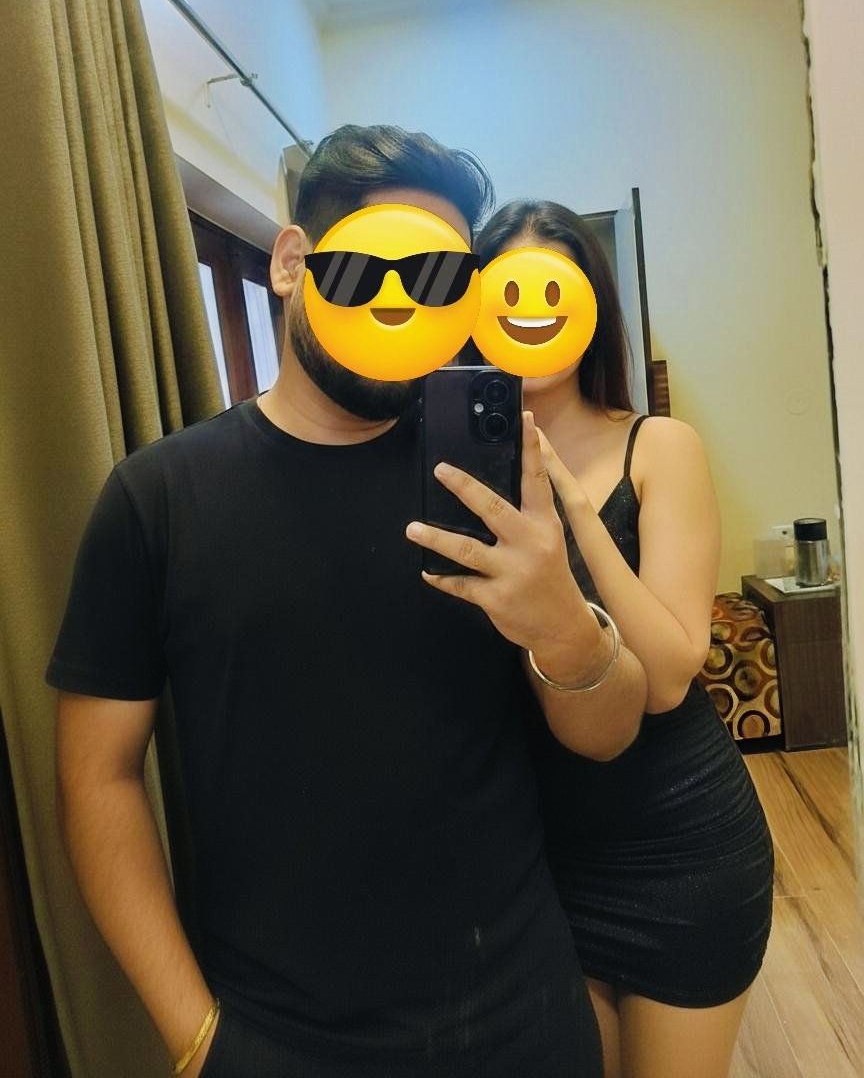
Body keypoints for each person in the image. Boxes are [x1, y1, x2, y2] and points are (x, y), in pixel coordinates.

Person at [47, 127, 648, 1078]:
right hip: (277, 1037)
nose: (406, 306)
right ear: (292, 263)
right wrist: (197, 1040)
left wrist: (567, 628)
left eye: (441, 283)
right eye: (373, 270)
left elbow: (609, 734)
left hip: (521, 1019)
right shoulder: (157, 499)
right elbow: (98, 776)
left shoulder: (496, 481)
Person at [472, 200, 774, 1078]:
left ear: (592, 308)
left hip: (678, 845)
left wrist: (573, 504)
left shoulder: (659, 446)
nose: (532, 313)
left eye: (555, 290)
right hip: (536, 858)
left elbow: (673, 670)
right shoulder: (453, 459)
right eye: (508, 292)